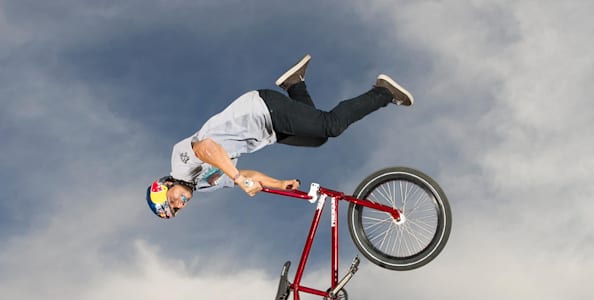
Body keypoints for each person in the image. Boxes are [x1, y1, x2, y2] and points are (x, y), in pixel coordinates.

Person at [146, 54, 414, 219]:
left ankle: (383, 93)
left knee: (330, 126)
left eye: (173, 200)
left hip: (260, 110)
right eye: (177, 209)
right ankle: (294, 83)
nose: (180, 203)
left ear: (167, 185)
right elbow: (250, 175)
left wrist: (238, 179)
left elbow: (207, 148)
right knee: (318, 137)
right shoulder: (204, 185)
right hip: (268, 131)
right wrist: (279, 183)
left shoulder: (180, 164)